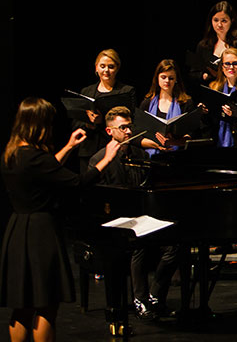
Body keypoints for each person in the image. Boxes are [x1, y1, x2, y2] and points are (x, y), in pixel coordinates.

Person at [1, 97, 120, 342]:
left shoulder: (13, 153)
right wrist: (106, 159)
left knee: (22, 307)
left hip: (17, 230)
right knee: (46, 305)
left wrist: (68, 147)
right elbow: (76, 183)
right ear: (38, 124)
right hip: (40, 234)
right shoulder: (35, 157)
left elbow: (46, 171)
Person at [90, 107, 179, 319]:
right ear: (110, 131)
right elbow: (97, 201)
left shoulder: (138, 154)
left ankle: (155, 295)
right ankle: (139, 299)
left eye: (130, 127)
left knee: (175, 243)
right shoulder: (98, 160)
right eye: (123, 128)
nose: (129, 131)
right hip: (114, 222)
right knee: (139, 243)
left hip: (140, 217)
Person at [72, 49, 136, 172]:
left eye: (111, 67)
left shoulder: (126, 91)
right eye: (102, 66)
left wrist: (102, 121)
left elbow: (132, 121)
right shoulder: (86, 92)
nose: (106, 70)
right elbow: (75, 123)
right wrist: (89, 124)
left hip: (114, 148)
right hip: (88, 149)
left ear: (117, 68)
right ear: (96, 68)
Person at [139, 59, 198, 155]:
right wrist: (156, 145)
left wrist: (173, 142)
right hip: (151, 155)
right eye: (163, 77)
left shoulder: (186, 103)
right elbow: (137, 134)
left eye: (171, 78)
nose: (167, 81)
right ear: (157, 78)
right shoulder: (147, 103)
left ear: (176, 80)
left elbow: (192, 134)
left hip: (177, 156)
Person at [191, 0, 237, 85]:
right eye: (216, 20)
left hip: (236, 90)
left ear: (232, 21)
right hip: (211, 90)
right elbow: (194, 73)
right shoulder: (204, 45)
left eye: (224, 21)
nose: (219, 25)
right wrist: (204, 75)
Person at [206, 47, 237, 150]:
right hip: (216, 143)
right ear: (222, 67)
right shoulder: (214, 88)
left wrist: (234, 115)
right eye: (227, 64)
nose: (231, 67)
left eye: (235, 63)